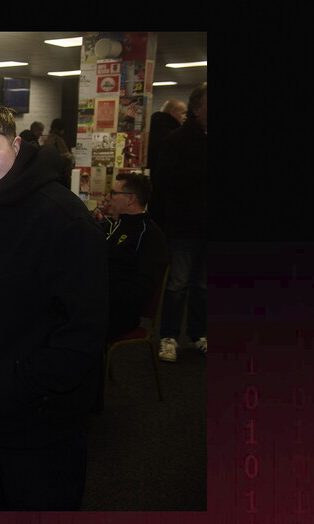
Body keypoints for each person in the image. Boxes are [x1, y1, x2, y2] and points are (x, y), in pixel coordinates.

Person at [0, 104, 107, 510]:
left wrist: (17, 387)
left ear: (15, 145)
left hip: (39, 424)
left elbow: (82, 337)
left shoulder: (64, 220)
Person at [156, 83, 207, 362]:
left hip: (207, 227)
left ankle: (199, 333)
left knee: (203, 285)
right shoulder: (176, 140)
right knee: (177, 284)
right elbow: (164, 182)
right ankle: (169, 336)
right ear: (197, 109)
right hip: (184, 226)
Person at [101, 173, 168, 341]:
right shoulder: (116, 226)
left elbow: (141, 289)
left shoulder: (150, 235)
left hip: (117, 313)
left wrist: (96, 291)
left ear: (131, 199)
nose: (109, 197)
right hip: (98, 303)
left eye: (114, 193)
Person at [145, 98, 186, 226]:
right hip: (165, 197)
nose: (185, 117)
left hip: (148, 192)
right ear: (174, 112)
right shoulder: (174, 137)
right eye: (183, 113)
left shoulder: (147, 131)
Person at [44, 118, 74, 184]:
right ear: (62, 129)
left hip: (48, 172)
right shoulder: (58, 139)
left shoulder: (47, 138)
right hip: (60, 174)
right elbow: (66, 155)